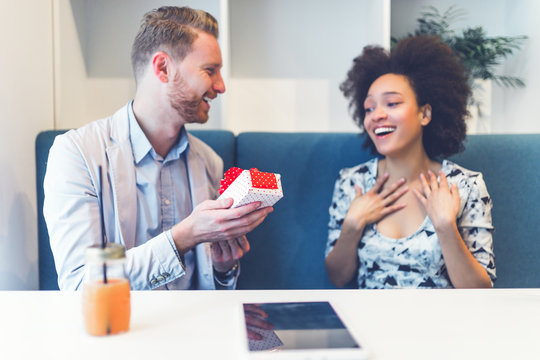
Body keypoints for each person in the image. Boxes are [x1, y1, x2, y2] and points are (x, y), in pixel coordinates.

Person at [44, 6, 273, 290]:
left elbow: (210, 292)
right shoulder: (75, 154)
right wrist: (186, 235)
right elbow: (80, 284)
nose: (221, 86)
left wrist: (223, 268)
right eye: (210, 70)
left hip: (200, 328)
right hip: (122, 330)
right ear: (163, 68)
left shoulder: (209, 162)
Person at [325, 36, 496, 289]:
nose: (377, 115)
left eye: (392, 103)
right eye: (369, 108)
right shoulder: (352, 182)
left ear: (424, 113)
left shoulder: (466, 185)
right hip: (369, 325)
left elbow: (481, 291)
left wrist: (445, 226)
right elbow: (337, 278)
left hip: (443, 325)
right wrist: (352, 225)